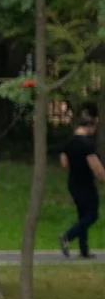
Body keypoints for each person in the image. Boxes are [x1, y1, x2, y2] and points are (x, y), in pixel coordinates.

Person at [58, 107, 102, 259]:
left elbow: (64, 163)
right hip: (86, 184)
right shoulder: (87, 144)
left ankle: (84, 250)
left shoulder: (69, 143)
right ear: (90, 126)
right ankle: (67, 236)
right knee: (92, 215)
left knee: (82, 215)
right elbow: (96, 167)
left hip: (73, 183)